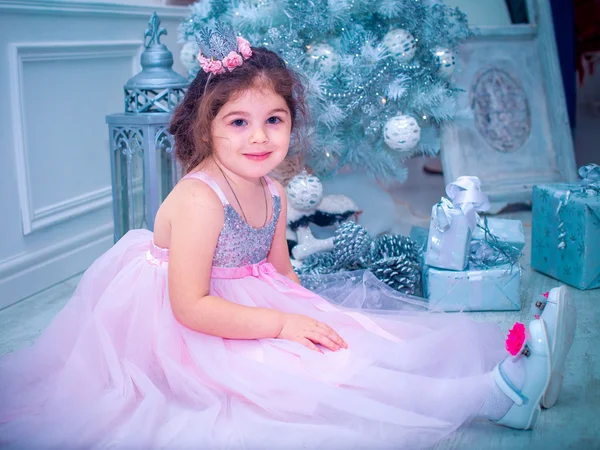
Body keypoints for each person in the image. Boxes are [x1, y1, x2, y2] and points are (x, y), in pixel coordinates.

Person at [0, 29, 576, 449]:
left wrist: (316, 316)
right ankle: (498, 396)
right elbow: (189, 306)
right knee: (311, 388)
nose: (259, 137)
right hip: (189, 330)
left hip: (251, 306)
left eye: (274, 119)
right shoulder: (202, 200)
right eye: (238, 122)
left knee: (360, 342)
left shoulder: (272, 190)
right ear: (207, 127)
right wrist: (282, 327)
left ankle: (497, 373)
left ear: (291, 123)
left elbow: (281, 274)